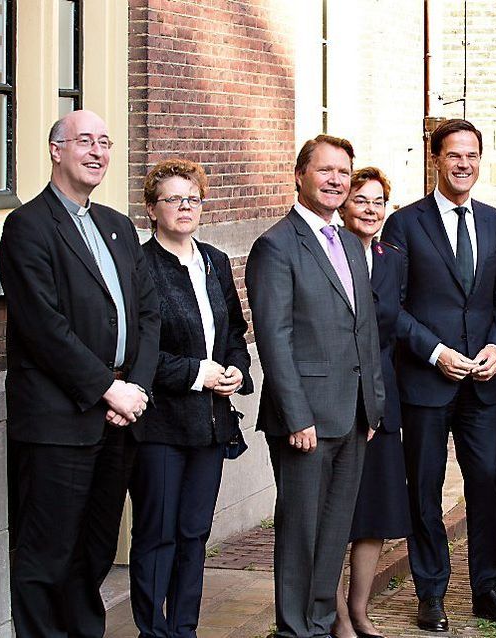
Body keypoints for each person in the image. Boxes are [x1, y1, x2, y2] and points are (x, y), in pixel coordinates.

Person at [0, 109, 160, 637]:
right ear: (56, 150)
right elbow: (42, 326)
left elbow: (147, 314)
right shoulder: (26, 226)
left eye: (105, 142)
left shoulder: (117, 226)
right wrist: (107, 388)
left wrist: (133, 387)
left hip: (118, 418)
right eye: (84, 141)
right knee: (47, 556)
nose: (96, 152)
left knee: (93, 554)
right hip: (58, 422)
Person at [381, 119, 496, 631]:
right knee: (424, 487)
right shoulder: (404, 224)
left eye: (472, 155)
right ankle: (432, 592)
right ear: (435, 159)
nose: (464, 164)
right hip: (425, 381)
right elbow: (391, 307)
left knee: (486, 483)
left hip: (481, 384)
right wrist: (435, 351)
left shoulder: (493, 221)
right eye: (454, 155)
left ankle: (488, 590)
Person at [246, 135, 385, 638]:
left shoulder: (348, 240)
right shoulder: (276, 246)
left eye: (343, 173)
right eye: (324, 171)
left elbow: (363, 328)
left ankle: (322, 623)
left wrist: (374, 405)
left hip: (353, 416)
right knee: (302, 533)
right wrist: (296, 414)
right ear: (300, 175)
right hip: (306, 418)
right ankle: (294, 630)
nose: (335, 181)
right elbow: (274, 338)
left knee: (333, 534)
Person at [130, 158, 254, 638]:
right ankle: (152, 631)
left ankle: (184, 629)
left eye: (193, 198)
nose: (185, 207)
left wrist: (236, 371)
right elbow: (137, 352)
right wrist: (197, 373)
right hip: (161, 424)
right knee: (158, 534)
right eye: (174, 199)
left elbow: (235, 335)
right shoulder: (139, 266)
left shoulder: (215, 262)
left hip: (210, 425)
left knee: (193, 534)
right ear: (151, 208)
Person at [333, 167, 413, 638]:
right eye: (360, 200)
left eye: (378, 201)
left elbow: (397, 323)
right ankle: (336, 615)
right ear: (344, 206)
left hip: (381, 399)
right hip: (337, 399)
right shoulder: (331, 253)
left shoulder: (392, 259)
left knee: (375, 511)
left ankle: (360, 610)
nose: (370, 209)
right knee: (337, 513)